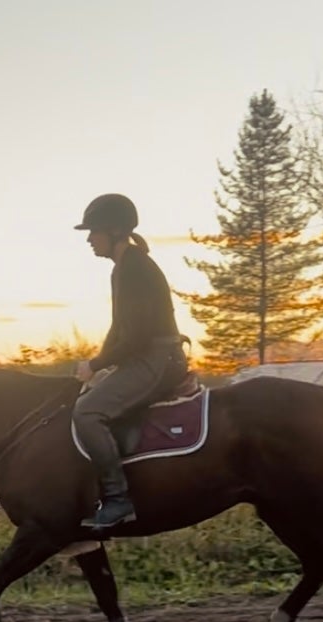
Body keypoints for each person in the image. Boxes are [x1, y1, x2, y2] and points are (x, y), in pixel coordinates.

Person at [72, 193, 188, 531]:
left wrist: (96, 365)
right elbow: (119, 328)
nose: (89, 239)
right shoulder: (123, 267)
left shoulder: (136, 267)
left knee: (87, 411)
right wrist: (101, 362)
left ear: (115, 230)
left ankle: (118, 498)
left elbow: (136, 335)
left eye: (93, 231)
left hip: (158, 358)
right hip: (147, 355)